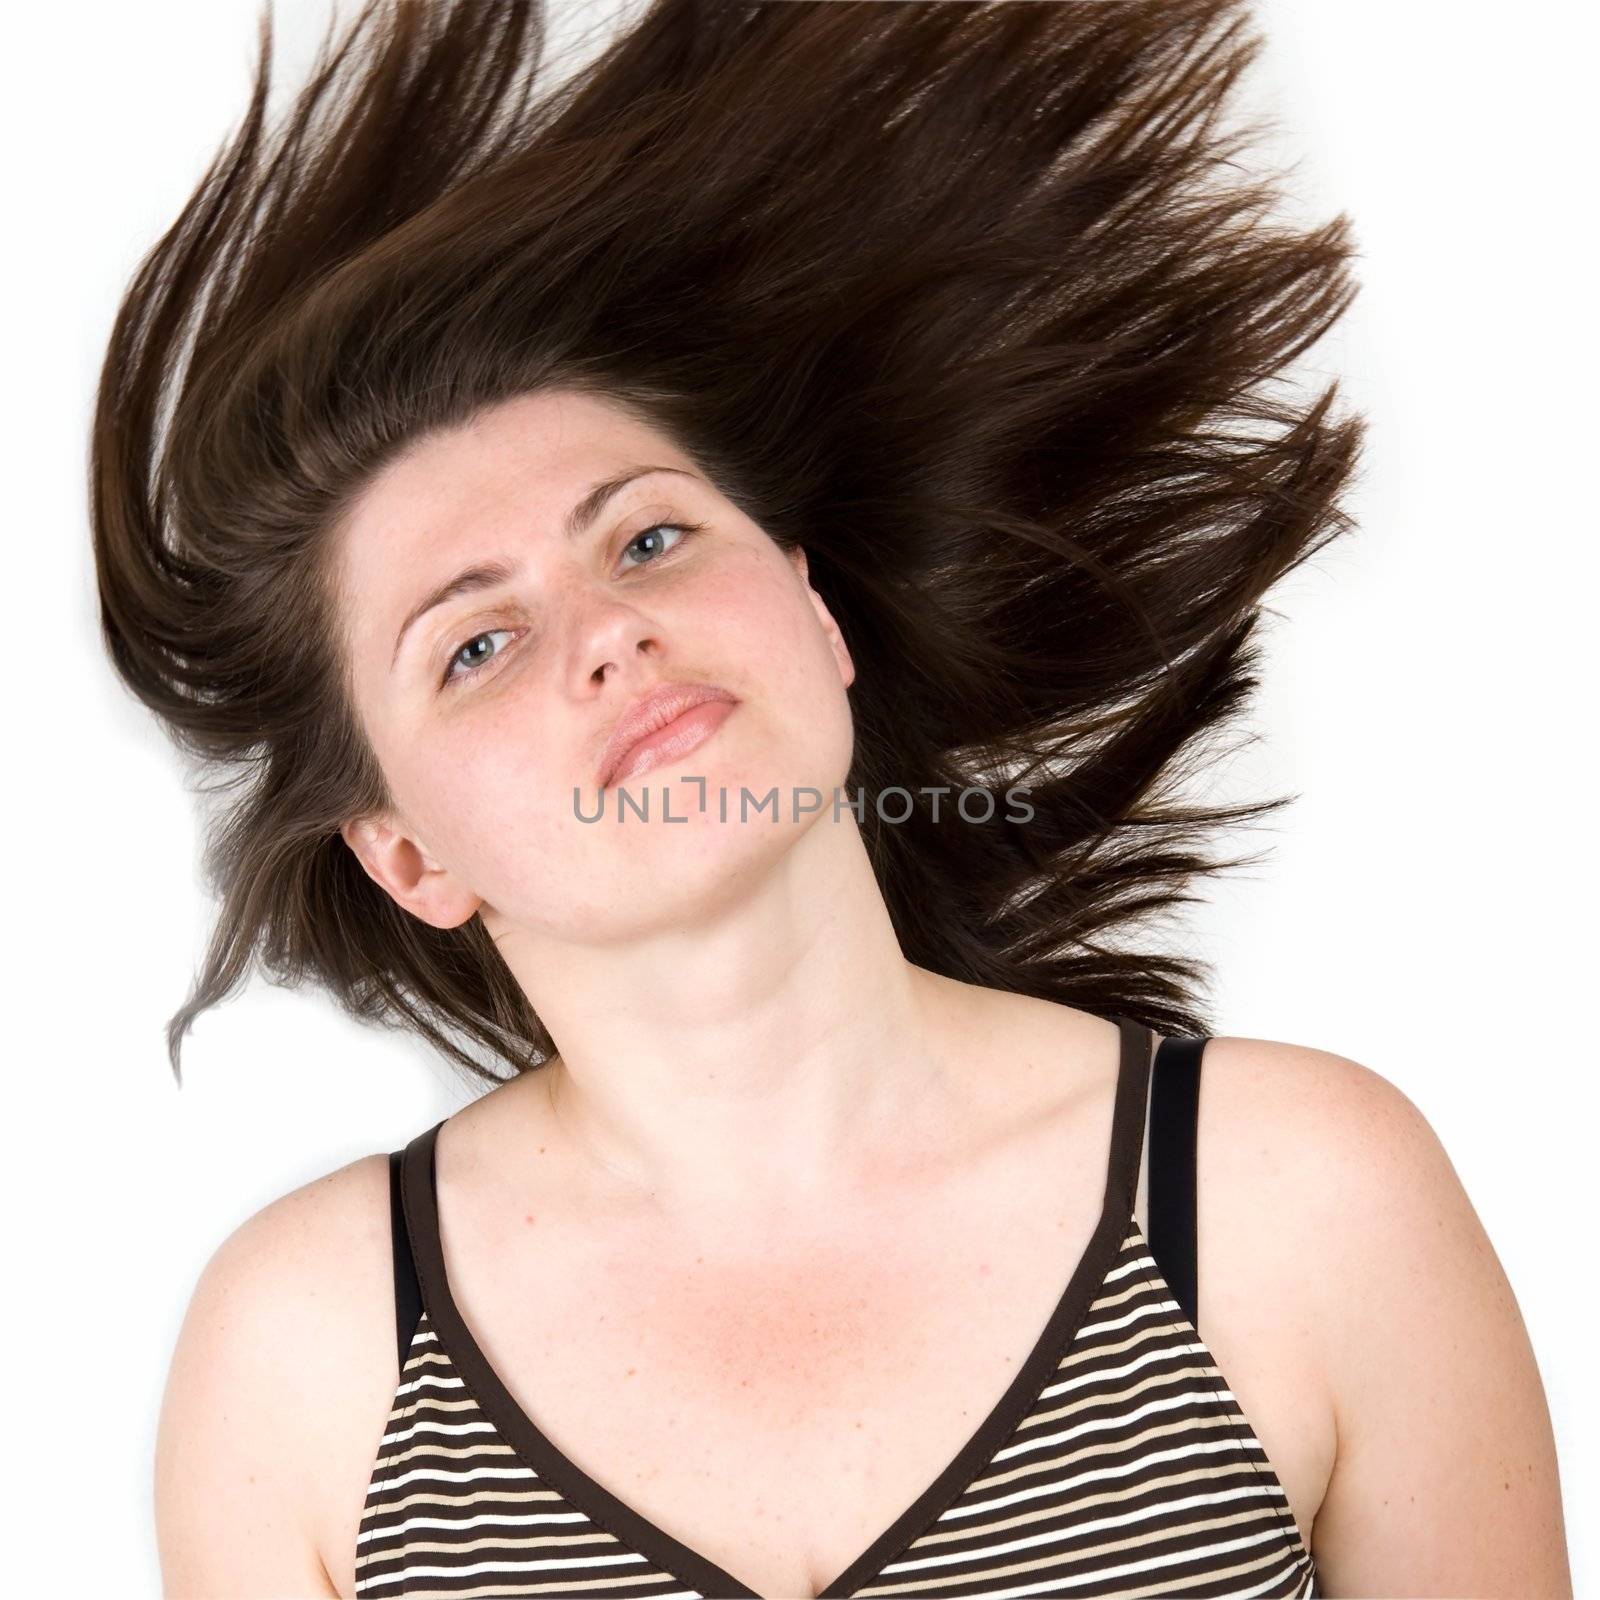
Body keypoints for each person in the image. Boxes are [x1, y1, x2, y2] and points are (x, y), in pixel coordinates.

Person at [91, 1, 1571, 1594]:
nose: (610, 637)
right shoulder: (308, 1362)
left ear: (815, 616)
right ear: (405, 854)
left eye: (649, 539)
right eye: (478, 643)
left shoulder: (1303, 1197)